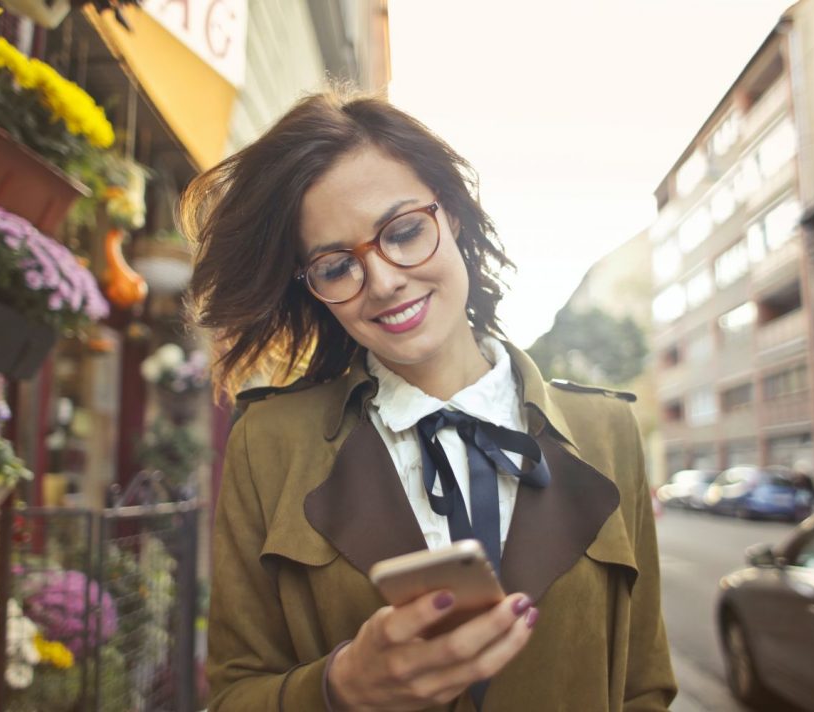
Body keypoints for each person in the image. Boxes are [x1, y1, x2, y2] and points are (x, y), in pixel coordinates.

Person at [183, 89, 676, 711]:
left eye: (405, 231)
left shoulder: (608, 431)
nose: (384, 281)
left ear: (454, 218)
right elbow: (233, 695)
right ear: (314, 290)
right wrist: (339, 687)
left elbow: (645, 686)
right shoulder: (269, 442)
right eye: (337, 267)